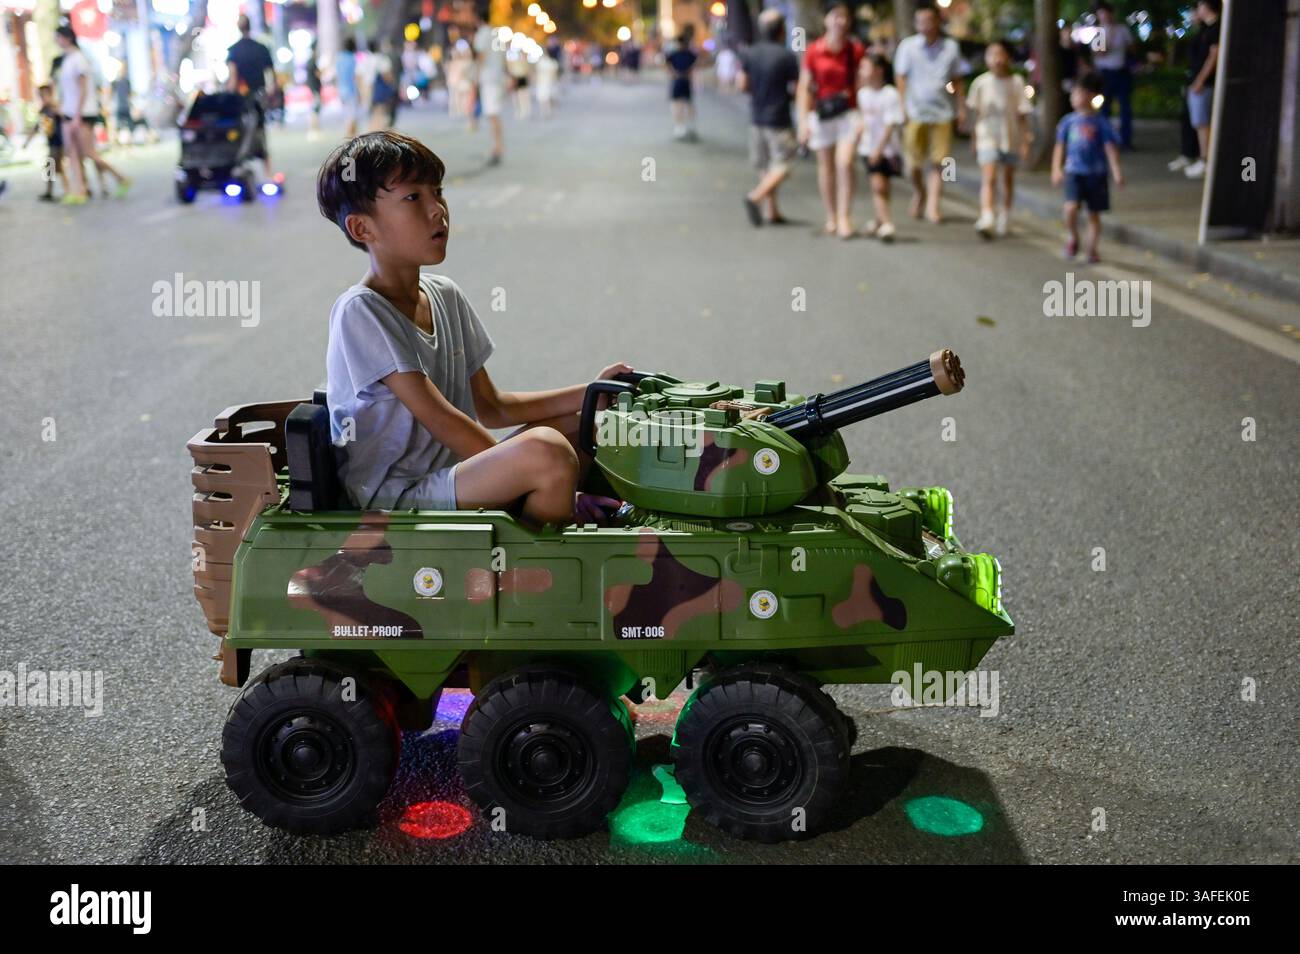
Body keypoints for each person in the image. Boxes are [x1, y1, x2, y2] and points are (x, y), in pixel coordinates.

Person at [313, 131, 630, 524]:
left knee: (580, 425)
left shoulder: (444, 294)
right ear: (362, 229)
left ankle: (544, 518)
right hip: (395, 495)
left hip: (449, 475)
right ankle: (534, 570)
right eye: (413, 197)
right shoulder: (360, 311)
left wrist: (590, 394)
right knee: (548, 454)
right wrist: (536, 475)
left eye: (438, 193)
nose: (437, 211)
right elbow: (441, 418)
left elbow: (493, 408)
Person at [796, 0, 865, 238]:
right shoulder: (814, 50)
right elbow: (805, 87)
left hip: (848, 113)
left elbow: (862, 84)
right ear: (825, 19)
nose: (840, 21)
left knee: (845, 163)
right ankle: (831, 217)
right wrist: (803, 121)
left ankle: (845, 217)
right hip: (822, 114)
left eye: (844, 16)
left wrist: (865, 116)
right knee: (825, 168)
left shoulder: (854, 50)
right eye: (835, 16)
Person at [894, 3, 967, 224]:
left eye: (928, 20)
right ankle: (920, 192)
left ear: (937, 21)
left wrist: (961, 108)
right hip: (916, 112)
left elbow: (957, 80)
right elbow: (901, 78)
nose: (924, 26)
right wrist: (902, 107)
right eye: (920, 21)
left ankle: (933, 205)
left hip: (943, 112)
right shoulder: (908, 47)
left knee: (940, 162)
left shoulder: (951, 47)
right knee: (912, 165)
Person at [1052, 73, 1124, 263]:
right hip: (1074, 171)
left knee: (1094, 214)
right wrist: (1056, 169)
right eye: (1073, 94)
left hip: (1096, 174)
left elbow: (1110, 148)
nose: (1075, 98)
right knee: (1070, 207)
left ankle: (1092, 249)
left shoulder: (1101, 123)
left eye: (1080, 93)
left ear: (1091, 95)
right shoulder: (1068, 122)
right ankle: (1073, 237)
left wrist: (1116, 172)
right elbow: (1060, 146)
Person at [54, 25, 129, 204]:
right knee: (72, 154)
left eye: (58, 37)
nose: (56, 41)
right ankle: (79, 190)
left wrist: (77, 115)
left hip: (82, 113)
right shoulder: (67, 60)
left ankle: (120, 178)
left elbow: (83, 89)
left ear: (67, 38)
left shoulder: (79, 59)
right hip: (69, 112)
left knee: (89, 152)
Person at [739, 8, 800, 227]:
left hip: (756, 116)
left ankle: (771, 211)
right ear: (782, 30)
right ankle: (756, 197)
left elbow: (742, 84)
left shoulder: (750, 53)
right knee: (783, 164)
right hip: (779, 118)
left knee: (765, 166)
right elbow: (797, 87)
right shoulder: (786, 56)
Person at [967, 39, 1033, 238]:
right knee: (990, 176)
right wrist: (973, 138)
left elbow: (1022, 114)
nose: (995, 59)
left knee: (1007, 178)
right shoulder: (980, 83)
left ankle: (1006, 214)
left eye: (999, 54)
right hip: (987, 135)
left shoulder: (1016, 83)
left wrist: (1025, 140)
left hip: (1010, 137)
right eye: (991, 54)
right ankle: (987, 215)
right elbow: (976, 113)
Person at [855, 53, 904, 242]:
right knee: (877, 185)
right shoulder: (863, 93)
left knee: (883, 186)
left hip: (887, 149)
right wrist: (859, 133)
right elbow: (863, 118)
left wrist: (879, 148)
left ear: (879, 70)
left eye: (864, 67)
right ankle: (886, 223)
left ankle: (879, 220)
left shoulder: (890, 94)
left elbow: (890, 125)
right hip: (868, 147)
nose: (861, 72)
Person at [226, 15, 278, 180]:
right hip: (259, 98)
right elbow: (271, 76)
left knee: (241, 133)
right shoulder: (261, 48)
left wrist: (228, 96)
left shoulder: (234, 50)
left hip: (241, 101)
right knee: (261, 135)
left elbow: (233, 80)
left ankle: (239, 167)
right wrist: (270, 92)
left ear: (238, 27)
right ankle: (268, 174)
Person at [1183, 0, 1220, 180]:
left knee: (1202, 122)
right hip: (1199, 81)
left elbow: (1213, 56)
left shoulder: (1215, 29)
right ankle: (1204, 158)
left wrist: (1200, 80)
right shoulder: (1206, 29)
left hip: (1204, 83)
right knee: (1200, 122)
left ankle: (1205, 159)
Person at [1092, 2, 1135, 151]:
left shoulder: (1122, 29)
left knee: (1125, 108)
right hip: (1105, 73)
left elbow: (1131, 47)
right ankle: (1104, 140)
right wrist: (1108, 38)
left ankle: (1125, 141)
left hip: (1121, 72)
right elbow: (1100, 52)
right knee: (1104, 108)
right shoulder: (1099, 31)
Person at [471, 4, 509, 164]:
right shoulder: (495, 33)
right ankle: (497, 146)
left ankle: (497, 148)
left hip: (489, 79)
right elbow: (502, 57)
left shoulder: (482, 34)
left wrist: (475, 77)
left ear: (477, 18)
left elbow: (481, 56)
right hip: (497, 78)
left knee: (492, 114)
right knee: (493, 114)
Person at [23, 84, 69, 201]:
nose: (43, 98)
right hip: (52, 142)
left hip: (59, 142)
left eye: (44, 95)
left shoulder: (55, 107)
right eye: (41, 95)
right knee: (54, 167)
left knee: (52, 166)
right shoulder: (44, 110)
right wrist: (27, 141)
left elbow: (66, 117)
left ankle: (64, 191)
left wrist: (57, 111)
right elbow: (37, 127)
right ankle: (55, 191)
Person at [666, 25, 699, 141]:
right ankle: (679, 126)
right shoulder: (673, 54)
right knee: (677, 105)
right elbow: (667, 65)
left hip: (686, 82)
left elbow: (695, 64)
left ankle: (690, 125)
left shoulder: (690, 54)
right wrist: (674, 73)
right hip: (677, 82)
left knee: (688, 105)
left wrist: (688, 73)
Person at [369, 40, 401, 131]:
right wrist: (391, 84)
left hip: (368, 89)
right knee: (381, 113)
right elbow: (387, 75)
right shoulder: (381, 59)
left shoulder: (366, 59)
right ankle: (379, 134)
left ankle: (374, 132)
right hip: (379, 89)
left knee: (374, 114)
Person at [336, 37, 362, 139]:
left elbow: (338, 76)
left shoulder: (339, 58)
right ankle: (350, 137)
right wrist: (360, 92)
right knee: (353, 114)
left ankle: (351, 136)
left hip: (341, 90)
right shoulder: (352, 59)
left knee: (347, 114)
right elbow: (356, 77)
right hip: (351, 90)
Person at [535, 48, 560, 118]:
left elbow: (553, 73)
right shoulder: (542, 62)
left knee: (547, 97)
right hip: (543, 82)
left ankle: (547, 111)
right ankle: (545, 111)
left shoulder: (551, 62)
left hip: (547, 82)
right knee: (544, 97)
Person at [305, 43, 323, 140]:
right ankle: (314, 130)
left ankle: (314, 129)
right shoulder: (312, 62)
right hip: (315, 88)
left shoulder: (310, 61)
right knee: (315, 109)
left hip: (313, 88)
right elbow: (318, 74)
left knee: (315, 109)